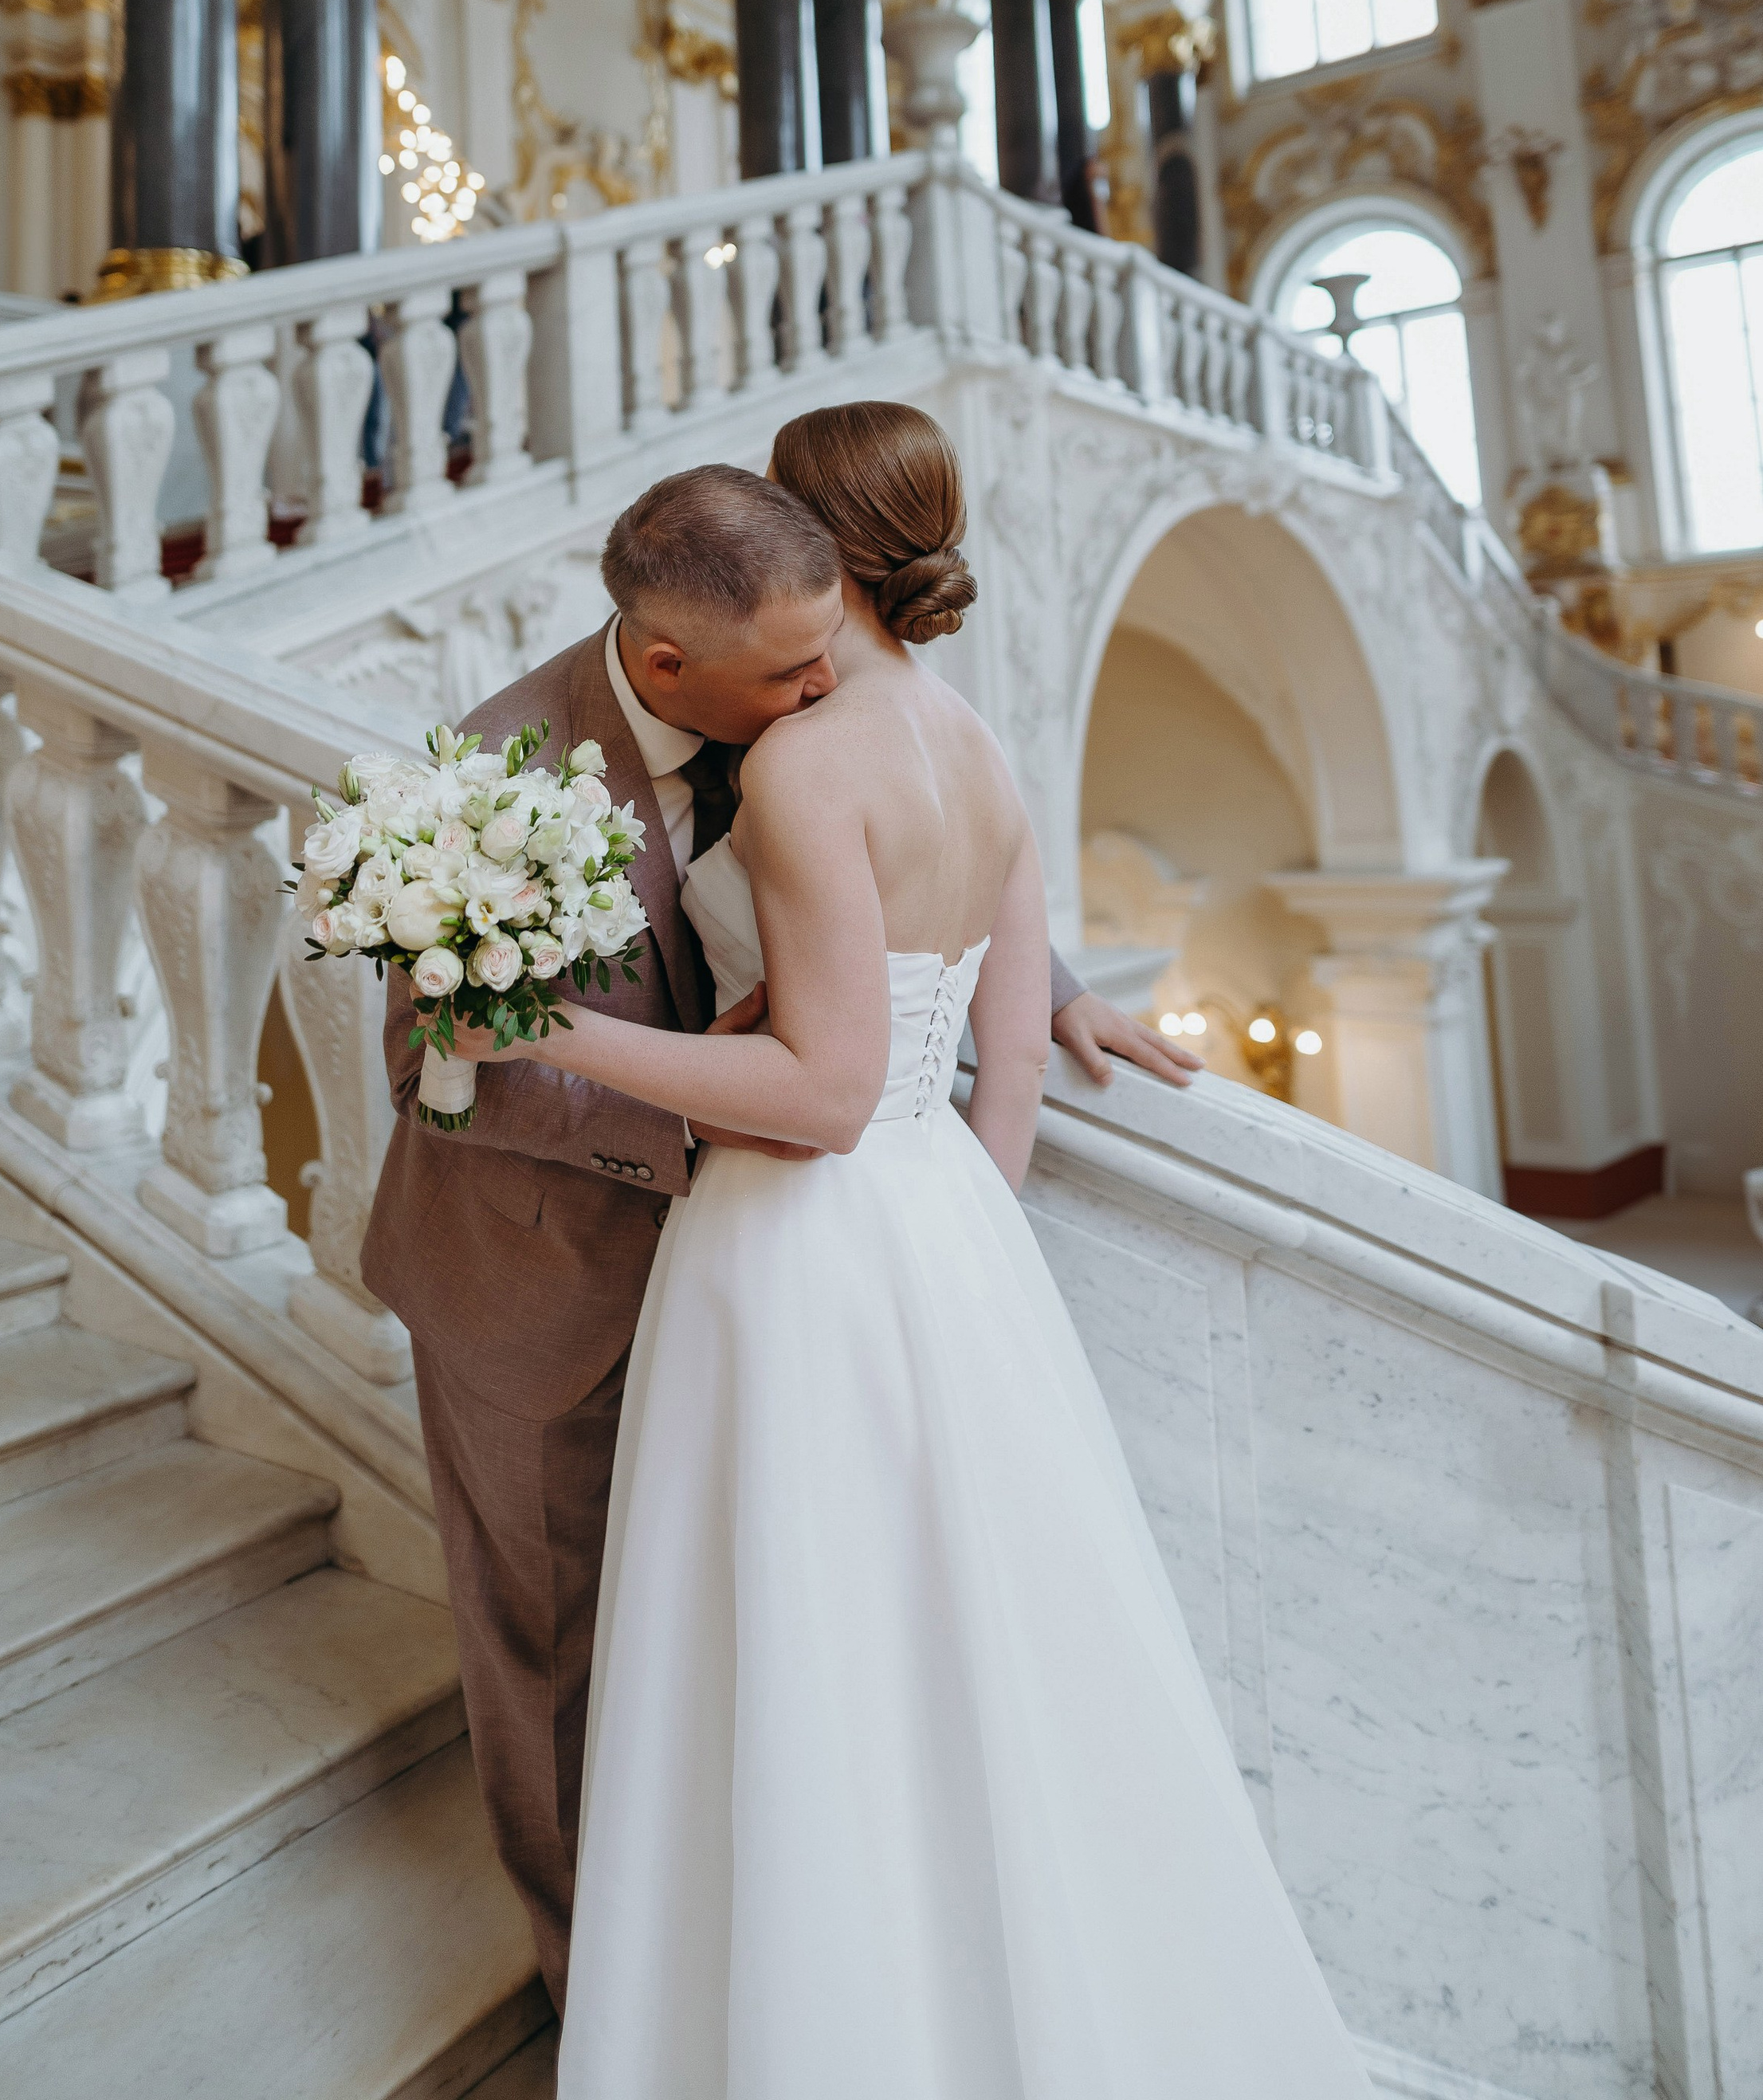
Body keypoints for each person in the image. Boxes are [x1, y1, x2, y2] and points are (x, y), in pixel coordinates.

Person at [442, 402, 1371, 2097]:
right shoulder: (973, 744)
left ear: (808, 549)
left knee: (788, 1659)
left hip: (789, 1243)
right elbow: (990, 1063)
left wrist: (545, 1027)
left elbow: (820, 1083)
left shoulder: (799, 758)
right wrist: (949, 1238)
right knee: (969, 1664)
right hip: (942, 1233)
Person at [359, 458, 1193, 2015]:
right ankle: (587, 1993)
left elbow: (886, 864)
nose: (834, 683)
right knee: (555, 1668)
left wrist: (1047, 983)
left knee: (748, 1654)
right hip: (535, 1284)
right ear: (668, 668)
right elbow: (437, 1075)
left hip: (754, 1276)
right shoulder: (490, 779)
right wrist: (704, 1119)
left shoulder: (792, 721)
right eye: (795, 669)